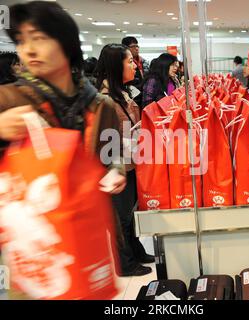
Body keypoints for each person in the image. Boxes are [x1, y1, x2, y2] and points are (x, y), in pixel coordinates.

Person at [0, 1, 127, 298]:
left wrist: (116, 171)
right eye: (21, 41)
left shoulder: (99, 104)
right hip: (32, 246)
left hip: (87, 232)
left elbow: (115, 153)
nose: (28, 50)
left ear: (66, 43)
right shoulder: (9, 100)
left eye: (39, 38)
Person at [95, 43, 154, 277]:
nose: (134, 65)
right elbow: (104, 142)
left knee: (130, 212)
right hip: (116, 167)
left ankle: (136, 251)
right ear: (115, 66)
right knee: (119, 218)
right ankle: (124, 263)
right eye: (129, 61)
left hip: (131, 162)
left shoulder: (125, 92)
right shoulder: (105, 99)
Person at [121, 36, 149, 106]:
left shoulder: (144, 62)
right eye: (133, 46)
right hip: (132, 95)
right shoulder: (123, 63)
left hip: (144, 95)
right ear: (125, 48)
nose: (136, 48)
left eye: (137, 46)